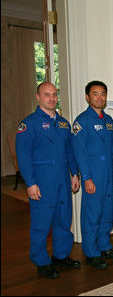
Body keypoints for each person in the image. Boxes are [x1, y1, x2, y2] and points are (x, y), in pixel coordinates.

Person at [15, 82, 81, 279]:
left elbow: (69, 151)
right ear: (38, 97)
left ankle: (61, 256)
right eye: (46, 95)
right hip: (41, 182)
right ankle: (41, 261)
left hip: (62, 180)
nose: (51, 98)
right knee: (41, 223)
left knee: (63, 219)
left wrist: (75, 174)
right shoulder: (28, 124)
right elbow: (23, 155)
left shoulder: (63, 124)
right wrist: (30, 183)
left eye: (54, 94)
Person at [72, 81, 113, 270]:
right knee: (92, 215)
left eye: (103, 93)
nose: (100, 97)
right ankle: (92, 253)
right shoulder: (81, 122)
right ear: (87, 97)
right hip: (93, 175)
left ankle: (104, 246)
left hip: (108, 175)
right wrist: (86, 178)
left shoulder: (109, 121)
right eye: (95, 94)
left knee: (106, 212)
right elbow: (80, 153)